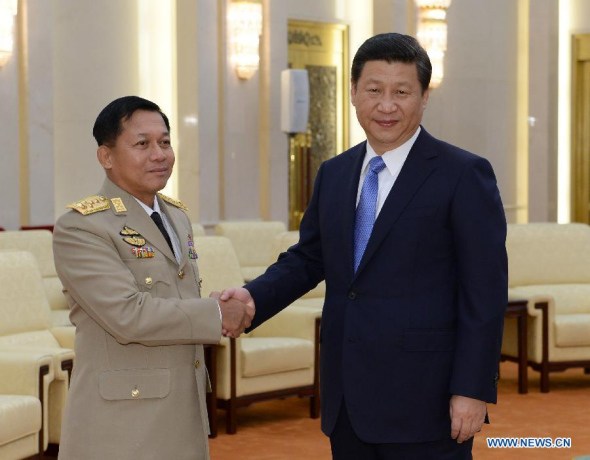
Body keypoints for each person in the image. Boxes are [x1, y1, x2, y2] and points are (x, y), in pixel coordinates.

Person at [220, 33, 507, 459]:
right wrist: (252, 298)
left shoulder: (463, 174)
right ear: (353, 92)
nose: (386, 105)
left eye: (401, 92)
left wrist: (471, 388)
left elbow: (484, 294)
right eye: (373, 90)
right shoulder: (335, 173)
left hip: (425, 399)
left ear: (424, 97)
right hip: (348, 398)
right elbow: (309, 258)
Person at [53, 96, 254, 460]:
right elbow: (128, 316)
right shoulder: (82, 226)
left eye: (165, 142)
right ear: (106, 156)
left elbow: (174, 299)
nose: (159, 154)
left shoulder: (176, 217)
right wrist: (218, 314)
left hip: (183, 413)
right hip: (122, 425)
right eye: (142, 144)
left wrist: (212, 305)